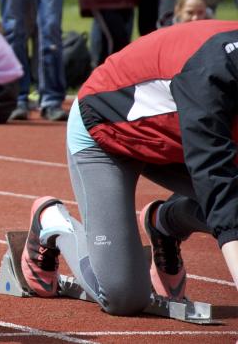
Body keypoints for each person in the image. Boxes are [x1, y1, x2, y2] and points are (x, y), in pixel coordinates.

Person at [19, 20, 238, 317]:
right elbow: (219, 189)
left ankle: (166, 222)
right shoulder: (207, 78)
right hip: (105, 131)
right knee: (124, 297)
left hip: (170, 137)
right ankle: (53, 223)